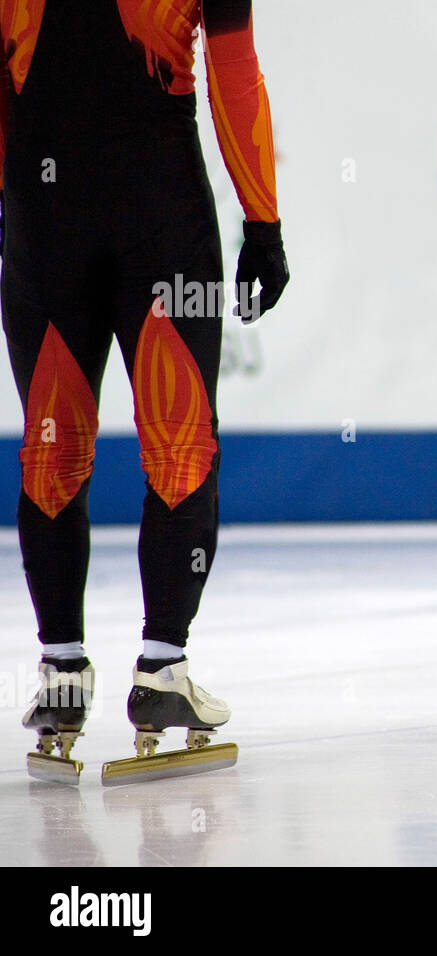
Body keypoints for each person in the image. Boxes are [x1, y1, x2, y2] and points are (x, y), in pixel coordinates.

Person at [4, 0, 289, 780]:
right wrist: (262, 223)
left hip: (42, 212)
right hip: (160, 213)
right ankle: (163, 667)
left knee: (51, 452)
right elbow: (236, 75)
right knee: (182, 445)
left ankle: (61, 674)